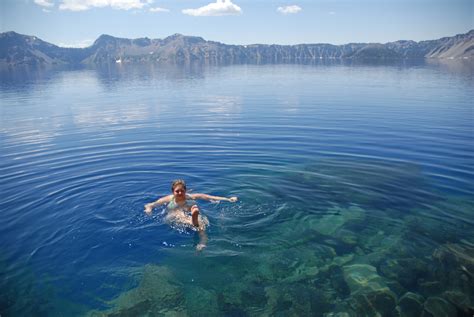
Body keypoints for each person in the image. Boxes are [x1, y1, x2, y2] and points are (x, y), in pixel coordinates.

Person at [144, 179, 238, 250]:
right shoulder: (168, 199)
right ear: (173, 192)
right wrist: (149, 209)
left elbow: (208, 197)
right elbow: (151, 204)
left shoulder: (190, 197)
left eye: (182, 191)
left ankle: (202, 241)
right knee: (180, 216)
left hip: (186, 212)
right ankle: (194, 219)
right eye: (177, 191)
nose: (180, 193)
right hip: (172, 215)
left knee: (201, 223)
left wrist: (228, 199)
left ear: (186, 190)